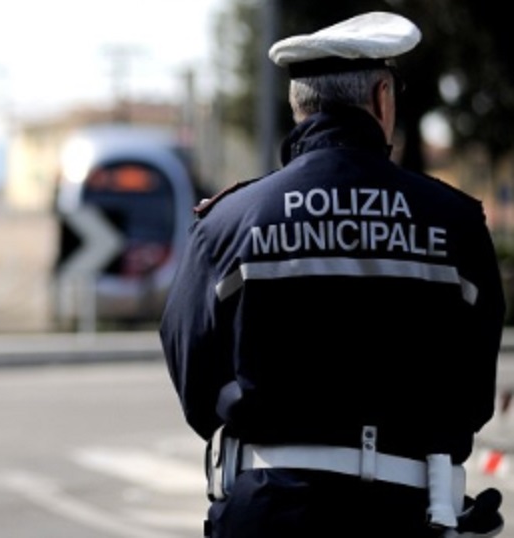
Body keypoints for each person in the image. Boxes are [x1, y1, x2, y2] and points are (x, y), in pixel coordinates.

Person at [159, 11, 506, 538]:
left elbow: (192, 367)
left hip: (268, 511)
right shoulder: (453, 221)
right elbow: (474, 387)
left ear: (300, 105)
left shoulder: (229, 221)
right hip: (408, 512)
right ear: (382, 97)